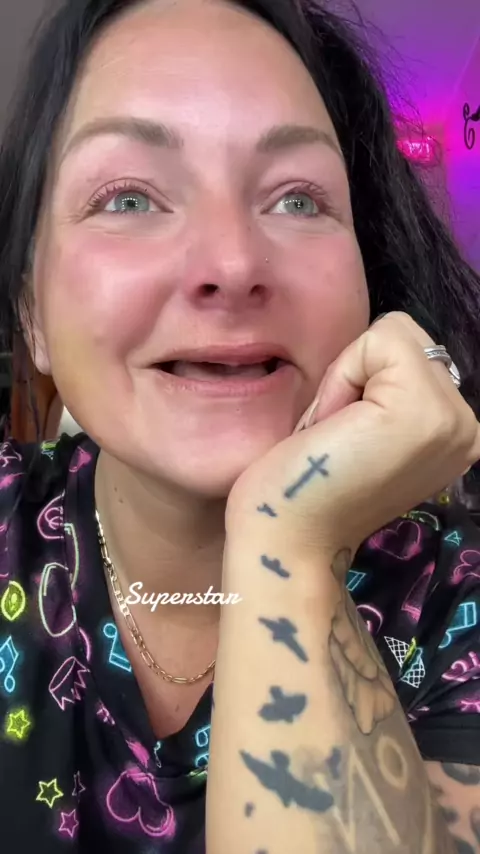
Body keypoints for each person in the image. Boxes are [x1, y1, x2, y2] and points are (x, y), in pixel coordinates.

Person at [0, 0, 480, 851]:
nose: (231, 264)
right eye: (129, 197)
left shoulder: (455, 600)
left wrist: (289, 545)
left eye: (297, 199)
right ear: (31, 312)